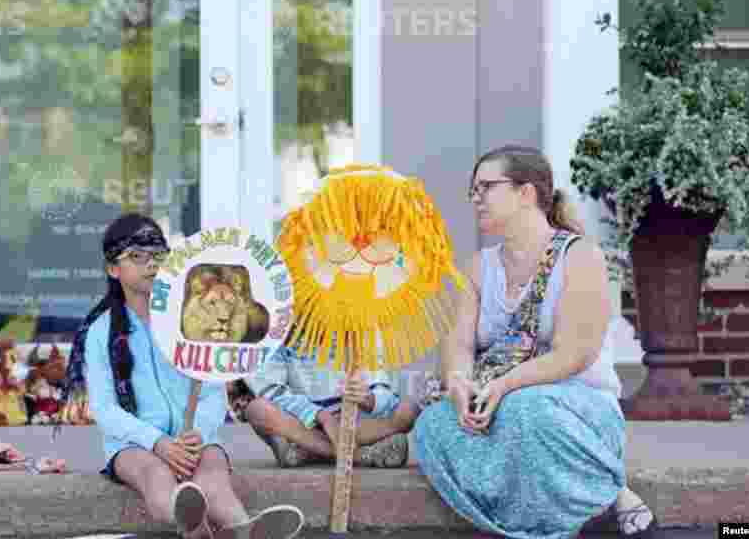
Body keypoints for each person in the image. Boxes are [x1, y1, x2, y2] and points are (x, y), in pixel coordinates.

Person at [400, 146, 657, 539]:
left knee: (524, 408)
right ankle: (526, 522)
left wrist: (502, 385)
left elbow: (575, 353)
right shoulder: (478, 267)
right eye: (472, 189)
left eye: (486, 186)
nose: (475, 198)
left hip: (573, 412)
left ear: (526, 194)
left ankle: (605, 496)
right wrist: (459, 384)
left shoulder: (580, 256)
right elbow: (459, 347)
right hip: (497, 406)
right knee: (434, 424)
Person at [61, 213, 304, 539]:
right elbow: (105, 410)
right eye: (136, 256)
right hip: (134, 446)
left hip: (195, 439)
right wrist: (158, 442)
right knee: (154, 477)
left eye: (158, 255)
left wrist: (197, 436)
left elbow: (213, 391)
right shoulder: (100, 332)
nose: (150, 264)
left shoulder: (192, 320)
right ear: (112, 269)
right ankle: (199, 529)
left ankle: (243, 528)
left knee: (213, 478)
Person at [238, 338, 416, 468]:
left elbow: (384, 391)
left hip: (356, 424)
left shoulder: (363, 323)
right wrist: (320, 416)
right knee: (257, 410)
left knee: (408, 410)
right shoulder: (279, 326)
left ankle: (308, 452)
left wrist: (369, 399)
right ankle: (361, 456)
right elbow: (271, 390)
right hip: (303, 423)